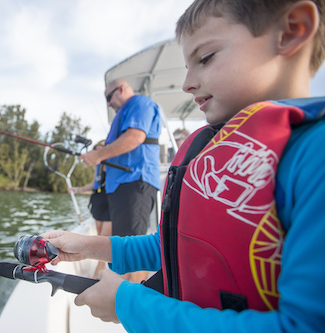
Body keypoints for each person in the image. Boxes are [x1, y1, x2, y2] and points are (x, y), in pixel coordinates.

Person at [42, 0, 325, 332]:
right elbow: (175, 246)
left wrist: (129, 304)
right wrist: (88, 246)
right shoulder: (208, 152)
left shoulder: (314, 158)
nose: (187, 83)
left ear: (292, 30)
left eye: (205, 58)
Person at [79, 78, 161, 283]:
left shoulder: (139, 103)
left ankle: (137, 305)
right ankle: (124, 294)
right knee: (124, 244)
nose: (108, 103)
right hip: (121, 188)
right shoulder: (125, 112)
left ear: (122, 89)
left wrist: (98, 156)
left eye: (109, 96)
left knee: (134, 249)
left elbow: (135, 137)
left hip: (135, 183)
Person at [69, 140, 111, 278]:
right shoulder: (98, 166)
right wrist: (77, 189)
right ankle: (102, 265)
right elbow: (93, 184)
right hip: (98, 200)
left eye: (101, 150)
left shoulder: (114, 165)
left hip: (111, 201)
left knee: (105, 237)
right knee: (99, 235)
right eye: (96, 150)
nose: (98, 153)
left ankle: (99, 269)